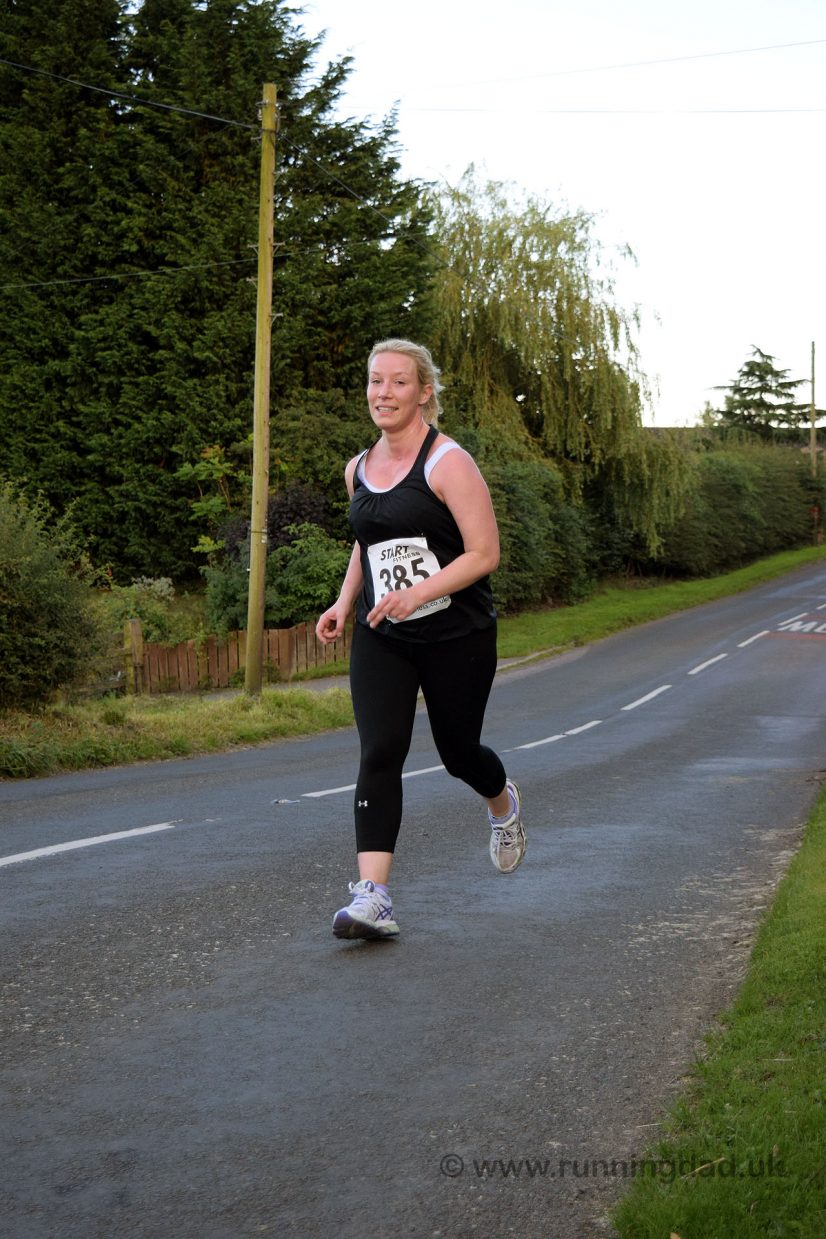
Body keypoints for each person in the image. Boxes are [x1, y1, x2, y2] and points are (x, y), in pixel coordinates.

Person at [316, 338, 525, 940]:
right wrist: (345, 599)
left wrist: (420, 590)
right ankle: (373, 898)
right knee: (380, 750)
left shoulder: (448, 462)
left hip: (456, 633)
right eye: (375, 381)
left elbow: (486, 553)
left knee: (459, 753)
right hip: (385, 633)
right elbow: (369, 539)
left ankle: (501, 800)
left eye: (398, 383)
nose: (383, 393)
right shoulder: (358, 467)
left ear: (423, 391)